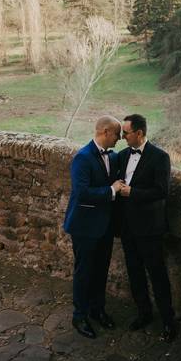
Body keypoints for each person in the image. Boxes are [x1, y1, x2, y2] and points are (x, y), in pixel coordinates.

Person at [114, 113, 178, 341]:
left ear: (139, 133)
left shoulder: (160, 157)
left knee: (158, 275)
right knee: (135, 273)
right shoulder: (121, 156)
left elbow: (162, 191)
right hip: (128, 228)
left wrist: (133, 192)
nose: (122, 137)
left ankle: (169, 322)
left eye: (126, 133)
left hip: (150, 229)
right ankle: (144, 313)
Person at [62, 115, 126, 338]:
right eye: (117, 134)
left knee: (101, 271)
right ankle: (79, 316)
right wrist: (111, 190)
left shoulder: (115, 157)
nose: (120, 139)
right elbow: (81, 193)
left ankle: (97, 310)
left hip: (105, 226)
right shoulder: (83, 158)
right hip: (84, 226)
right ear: (106, 132)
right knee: (84, 272)